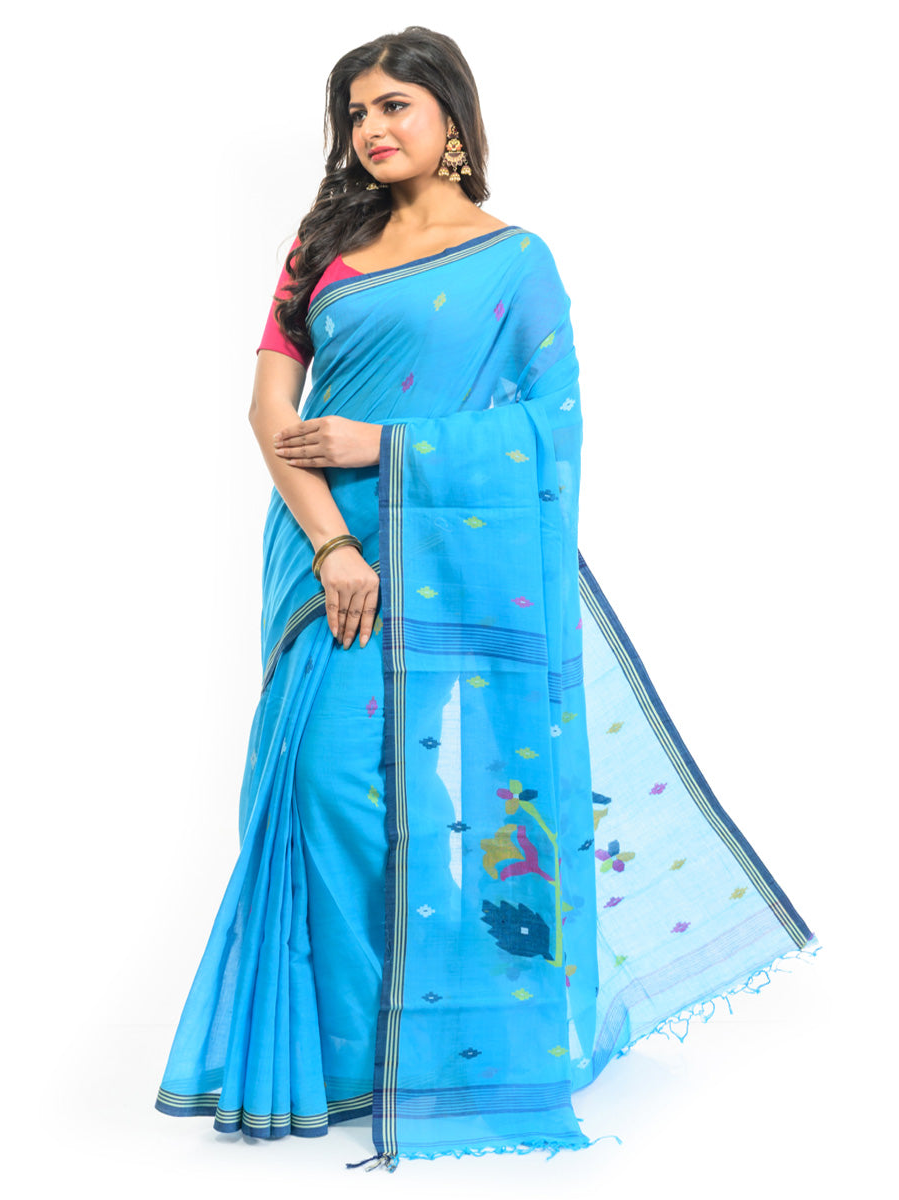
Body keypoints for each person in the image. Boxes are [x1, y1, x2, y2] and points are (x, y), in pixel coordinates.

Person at [154, 26, 820, 1172]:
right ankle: (356, 1049)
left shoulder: (515, 264)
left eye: (394, 106)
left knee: (406, 791)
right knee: (321, 783)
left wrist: (385, 444)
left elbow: (550, 437)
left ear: (451, 121)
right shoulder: (322, 247)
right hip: (325, 554)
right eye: (356, 112)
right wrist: (332, 543)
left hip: (445, 549)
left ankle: (437, 1037)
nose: (371, 129)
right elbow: (269, 411)